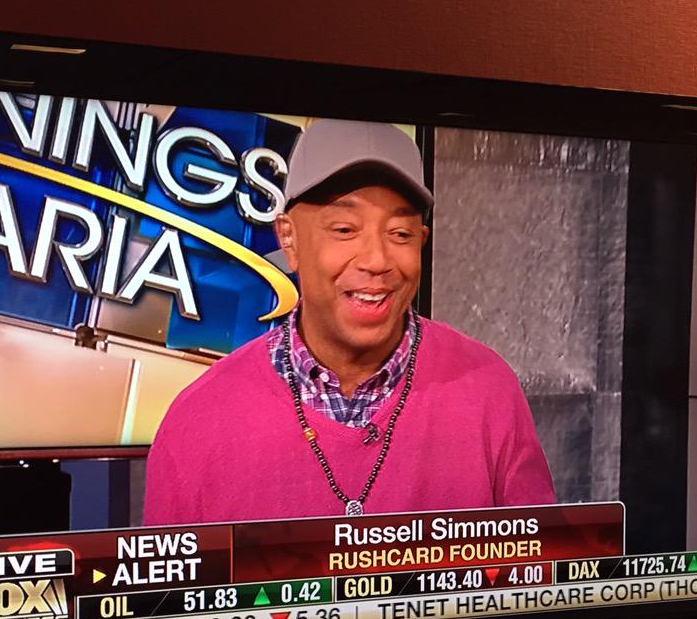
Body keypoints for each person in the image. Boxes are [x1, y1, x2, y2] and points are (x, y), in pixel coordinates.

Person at [144, 119, 554, 525]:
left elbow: (542, 562)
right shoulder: (199, 421)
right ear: (289, 238)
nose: (376, 260)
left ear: (422, 242)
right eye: (344, 229)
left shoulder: (489, 391)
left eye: (400, 233)